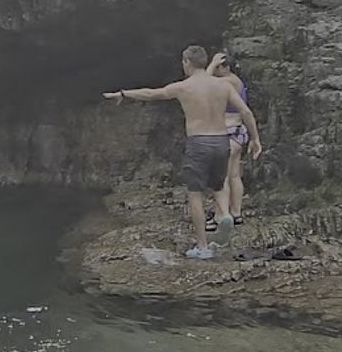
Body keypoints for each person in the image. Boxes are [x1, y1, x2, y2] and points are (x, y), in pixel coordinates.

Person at [103, 44, 262, 260]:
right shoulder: (223, 86)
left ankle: (202, 246)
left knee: (195, 193)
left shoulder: (183, 87)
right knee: (218, 184)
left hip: (199, 143)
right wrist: (255, 139)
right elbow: (245, 111)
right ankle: (225, 214)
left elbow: (152, 94)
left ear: (187, 63)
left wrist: (124, 93)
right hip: (222, 141)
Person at [206, 51, 250, 229]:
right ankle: (236, 212)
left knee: (221, 176)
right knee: (234, 175)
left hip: (229, 131)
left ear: (226, 67)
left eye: (218, 66)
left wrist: (210, 65)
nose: (215, 70)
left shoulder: (229, 81)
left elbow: (203, 82)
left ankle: (220, 215)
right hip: (238, 131)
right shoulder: (237, 82)